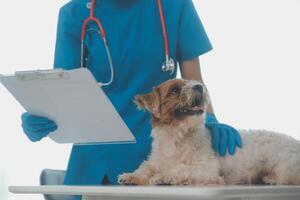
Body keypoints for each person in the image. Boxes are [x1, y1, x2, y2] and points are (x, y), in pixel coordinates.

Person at [21, 0, 242, 188]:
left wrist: (209, 121)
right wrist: (43, 114)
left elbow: (195, 82)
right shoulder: (75, 13)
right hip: (97, 160)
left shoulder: (174, 5)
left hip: (159, 155)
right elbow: (65, 91)